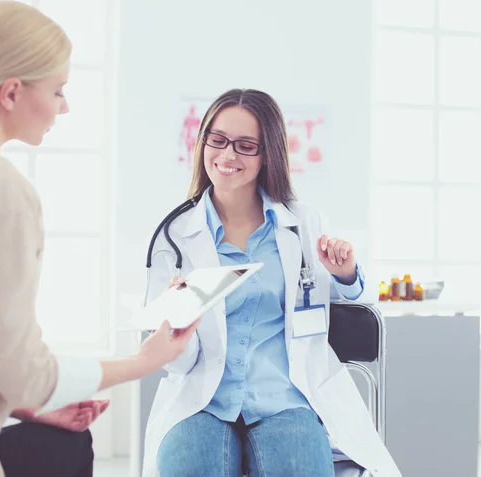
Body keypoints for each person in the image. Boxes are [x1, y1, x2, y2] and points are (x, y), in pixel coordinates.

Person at [0, 2, 198, 477]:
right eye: (58, 91)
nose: (64, 106)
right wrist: (145, 360)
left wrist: (26, 408)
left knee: (56, 442)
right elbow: (24, 372)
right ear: (11, 93)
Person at [142, 89, 402, 477]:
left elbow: (356, 303)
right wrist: (176, 324)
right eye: (218, 140)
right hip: (201, 398)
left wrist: (346, 274)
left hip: (287, 397)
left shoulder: (303, 224)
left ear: (268, 155)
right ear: (203, 143)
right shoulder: (174, 237)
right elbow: (177, 361)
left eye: (246, 146)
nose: (228, 155)